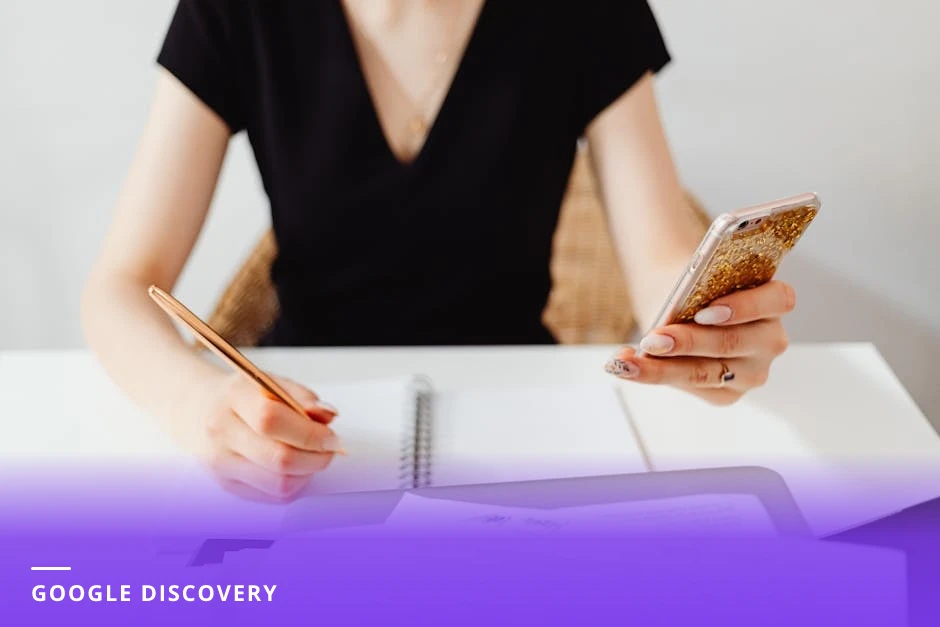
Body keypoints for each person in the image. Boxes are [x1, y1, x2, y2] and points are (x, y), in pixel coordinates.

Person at [81, 0, 796, 501]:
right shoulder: (238, 10)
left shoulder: (585, 11)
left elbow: (660, 266)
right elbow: (120, 285)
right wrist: (192, 400)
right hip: (310, 422)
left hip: (524, 424)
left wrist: (712, 332)